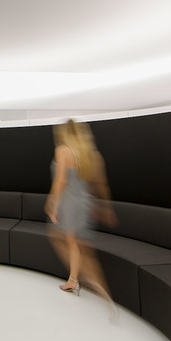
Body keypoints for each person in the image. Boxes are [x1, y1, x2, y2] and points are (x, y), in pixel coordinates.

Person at [45, 119, 118, 319]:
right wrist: (105, 208)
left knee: (59, 239)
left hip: (68, 203)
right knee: (77, 245)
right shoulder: (92, 154)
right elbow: (101, 185)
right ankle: (77, 281)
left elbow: (60, 180)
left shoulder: (63, 150)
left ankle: (88, 282)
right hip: (84, 204)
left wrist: (52, 203)